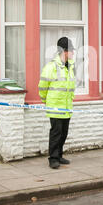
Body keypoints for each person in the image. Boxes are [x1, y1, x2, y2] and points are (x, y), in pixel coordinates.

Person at [39, 37, 76, 169]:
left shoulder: (70, 66)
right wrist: (45, 101)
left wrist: (71, 98)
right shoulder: (51, 67)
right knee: (56, 133)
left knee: (64, 133)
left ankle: (59, 155)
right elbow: (42, 87)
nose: (73, 53)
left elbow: (70, 86)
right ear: (64, 51)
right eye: (71, 50)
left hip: (66, 107)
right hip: (55, 106)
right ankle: (53, 158)